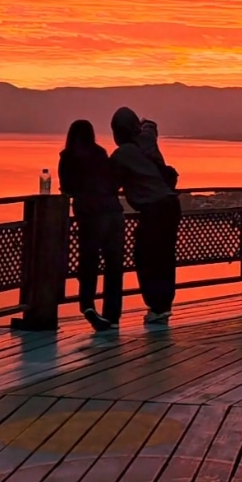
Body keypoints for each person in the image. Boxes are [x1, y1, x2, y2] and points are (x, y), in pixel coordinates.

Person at [109, 107, 181, 325]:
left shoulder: (123, 154)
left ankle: (156, 306)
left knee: (145, 256)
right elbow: (150, 126)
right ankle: (163, 306)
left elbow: (110, 183)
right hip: (170, 205)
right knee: (165, 257)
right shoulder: (147, 141)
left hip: (153, 210)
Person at [58, 119, 125, 332]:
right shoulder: (100, 154)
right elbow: (113, 182)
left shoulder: (66, 158)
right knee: (114, 265)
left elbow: (67, 188)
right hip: (112, 213)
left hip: (89, 216)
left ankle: (87, 304)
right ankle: (112, 315)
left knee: (89, 262)